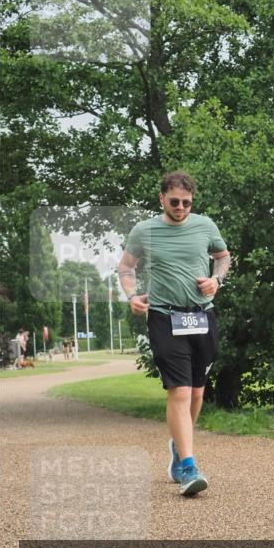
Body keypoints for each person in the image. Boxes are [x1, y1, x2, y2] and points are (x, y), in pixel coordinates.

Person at [118, 170, 231, 497]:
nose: (181, 207)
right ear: (161, 199)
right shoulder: (145, 230)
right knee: (180, 393)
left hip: (202, 317)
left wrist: (216, 280)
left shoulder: (206, 226)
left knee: (197, 394)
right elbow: (125, 267)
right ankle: (189, 468)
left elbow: (222, 258)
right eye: (175, 202)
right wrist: (132, 296)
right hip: (165, 318)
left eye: (187, 203)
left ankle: (179, 449)